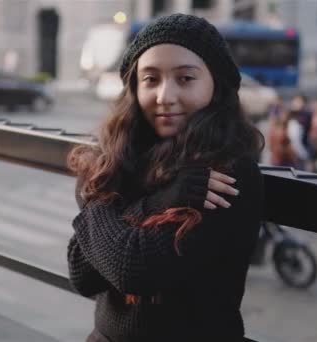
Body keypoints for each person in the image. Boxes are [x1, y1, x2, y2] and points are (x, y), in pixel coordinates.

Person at [67, 14, 265, 341]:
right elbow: (82, 274)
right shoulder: (126, 156)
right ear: (134, 86)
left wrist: (95, 199)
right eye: (151, 79)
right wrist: (161, 201)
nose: (164, 96)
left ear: (216, 84)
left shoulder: (227, 172)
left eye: (185, 79)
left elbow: (131, 269)